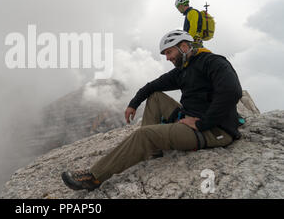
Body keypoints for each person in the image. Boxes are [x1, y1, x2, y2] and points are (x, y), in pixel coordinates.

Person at [61, 29, 243, 191]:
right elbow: (151, 86)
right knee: (155, 96)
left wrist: (204, 123)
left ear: (184, 47)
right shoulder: (183, 70)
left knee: (144, 134)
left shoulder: (212, 62)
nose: (167, 58)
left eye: (169, 52)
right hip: (191, 120)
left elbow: (232, 91)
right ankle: (152, 150)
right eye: (165, 54)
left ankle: (93, 177)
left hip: (213, 130)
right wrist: (133, 103)